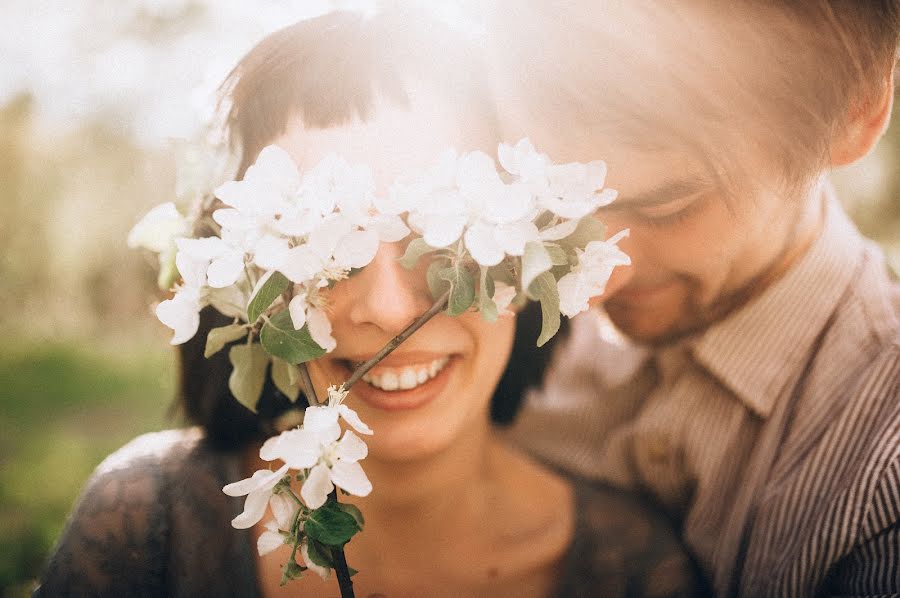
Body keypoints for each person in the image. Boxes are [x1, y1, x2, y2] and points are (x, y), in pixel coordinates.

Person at [35, 9, 707, 597]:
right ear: (249, 284)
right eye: (327, 249)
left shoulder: (632, 570)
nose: (386, 309)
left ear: (529, 262)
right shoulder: (146, 531)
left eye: (439, 243)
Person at [487, 1, 900, 596]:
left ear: (856, 110)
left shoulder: (881, 492)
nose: (588, 290)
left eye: (666, 209)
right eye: (549, 205)